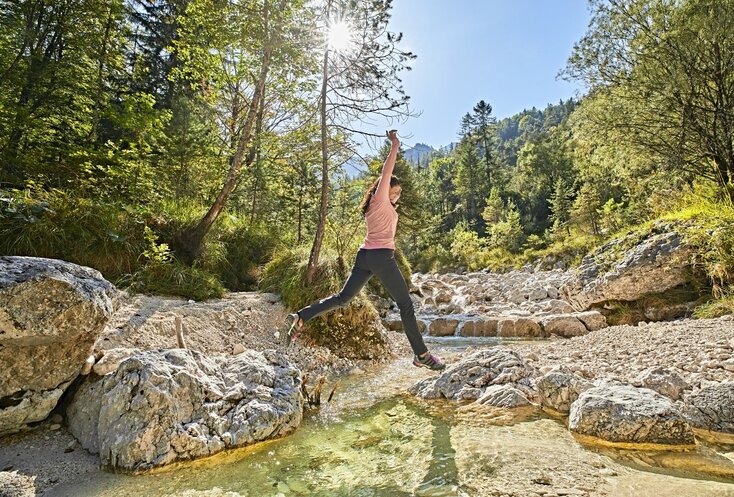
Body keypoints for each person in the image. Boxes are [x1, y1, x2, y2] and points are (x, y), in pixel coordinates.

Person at [279, 130, 446, 371]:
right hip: (381, 257)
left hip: (365, 256)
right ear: (383, 189)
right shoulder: (380, 201)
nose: (397, 195)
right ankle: (421, 354)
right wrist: (395, 145)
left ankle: (301, 317)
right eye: (394, 191)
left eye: (399, 192)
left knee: (342, 299)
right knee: (406, 305)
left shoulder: (373, 206)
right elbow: (386, 172)